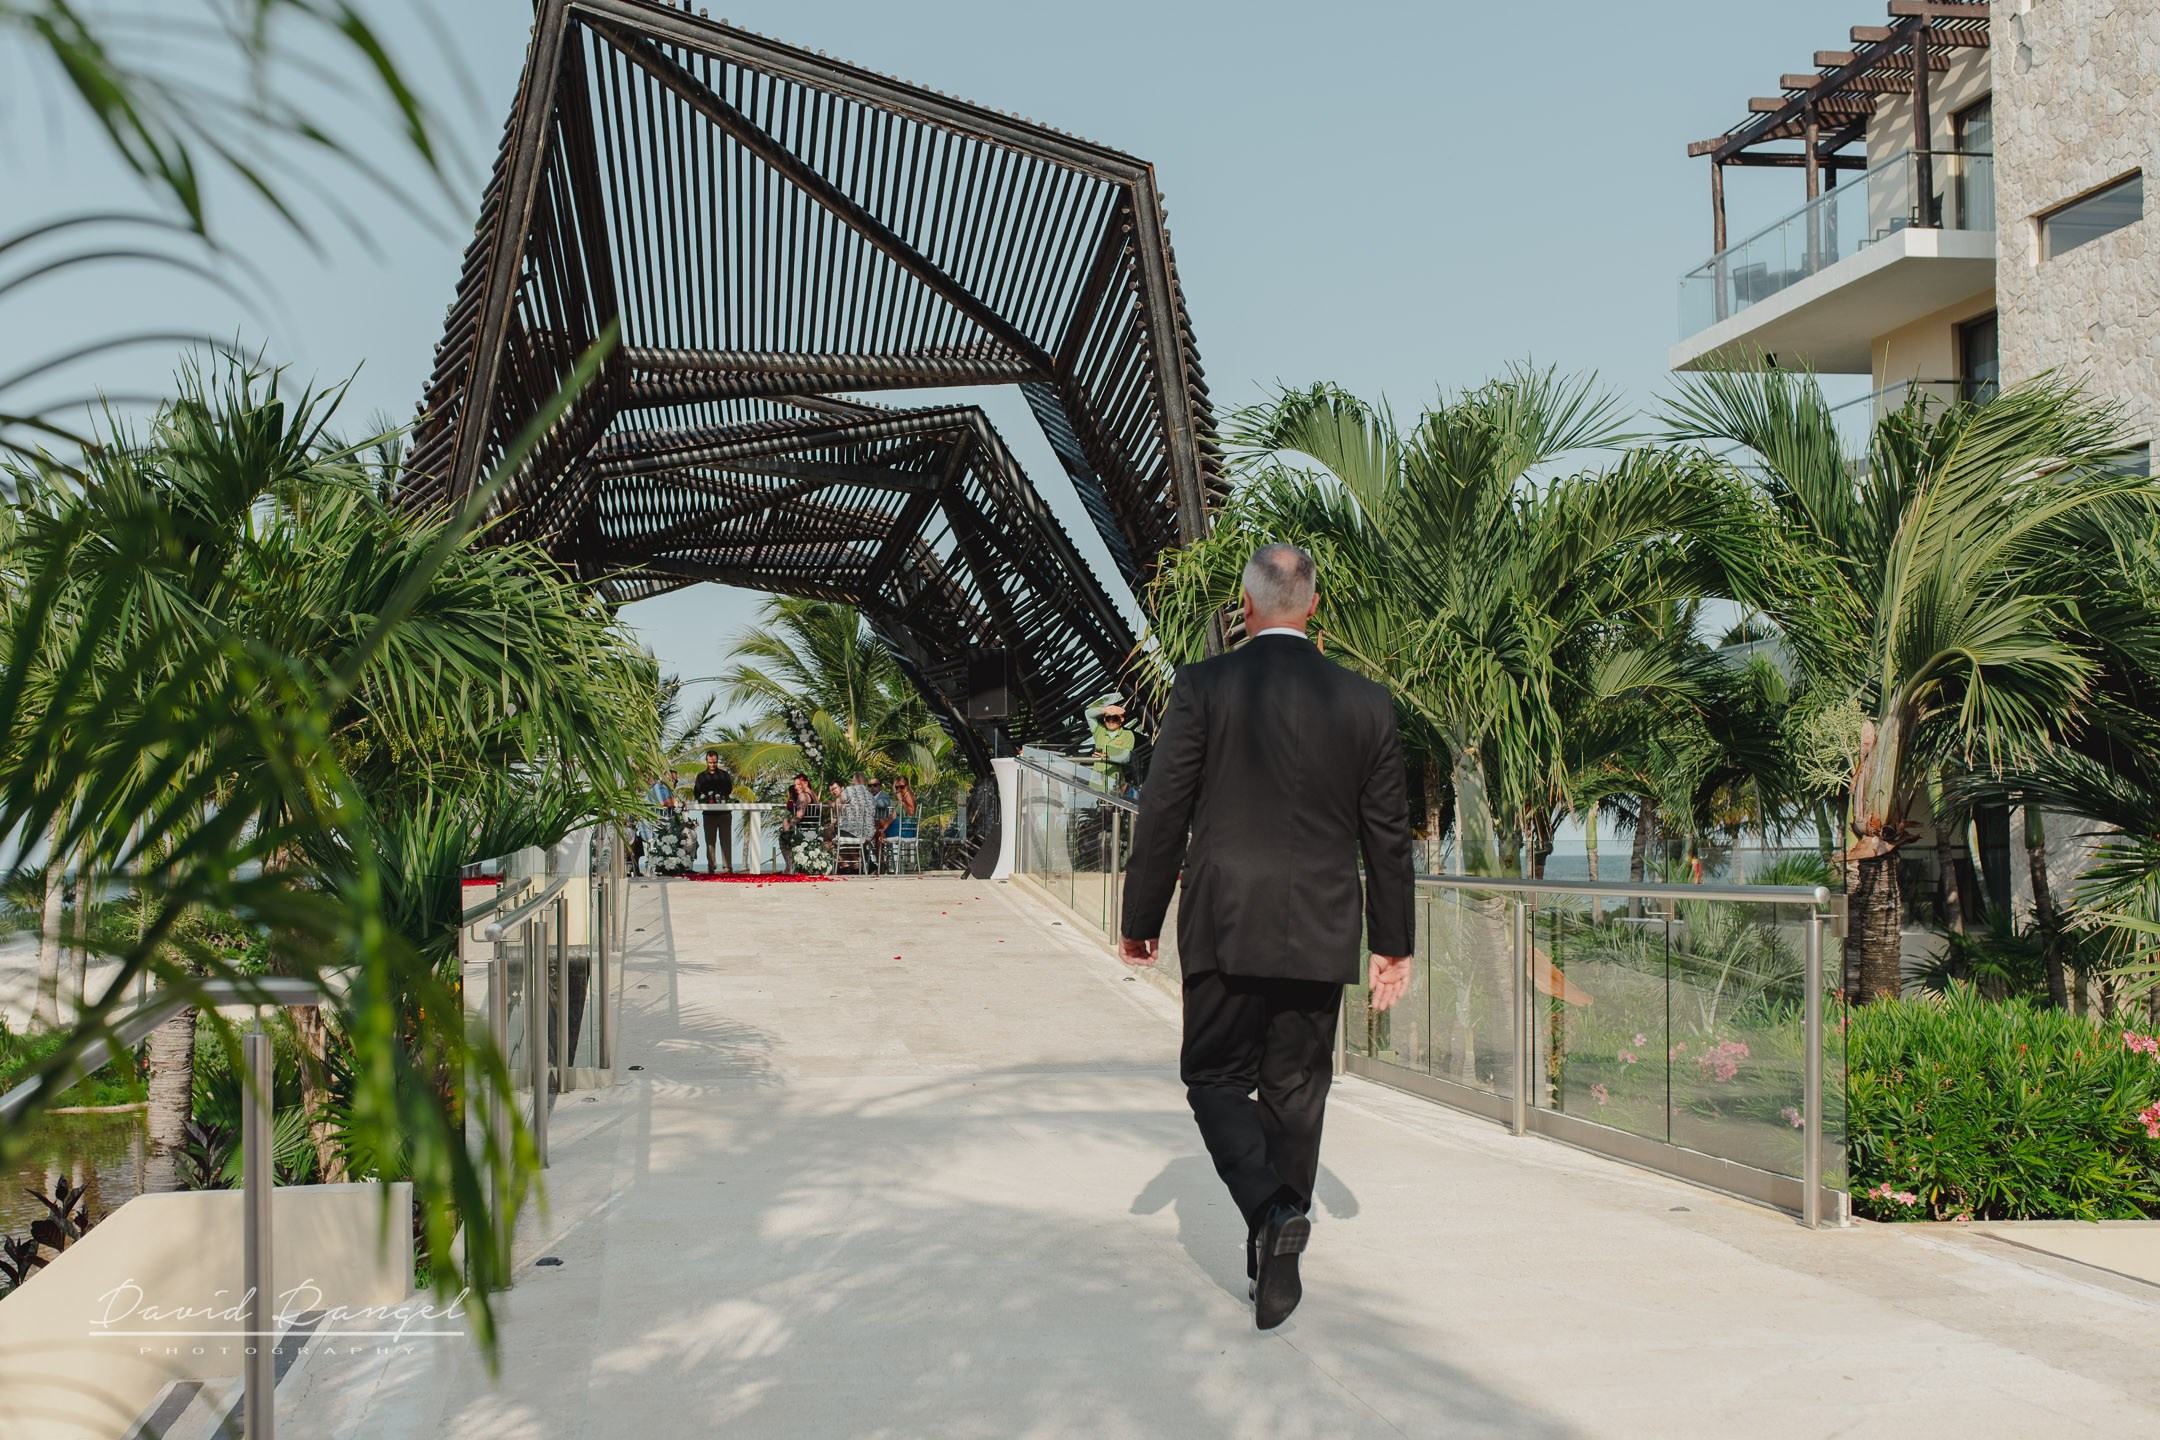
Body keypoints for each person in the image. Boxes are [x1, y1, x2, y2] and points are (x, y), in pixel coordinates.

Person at [1118, 543, 1415, 1331]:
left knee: (1214, 1080)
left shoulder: (1204, 686)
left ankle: (1271, 1207)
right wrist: (1394, 943)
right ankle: (1276, 1259)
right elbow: (1388, 837)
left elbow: (1163, 812)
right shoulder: (1367, 703)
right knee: (1296, 1094)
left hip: (1223, 920)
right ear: (1312, 606)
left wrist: (1139, 919)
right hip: (1320, 925)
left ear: (1245, 608)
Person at [692, 750, 736, 874]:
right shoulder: (701, 776)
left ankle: (727, 867)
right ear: (706, 761)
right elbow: (696, 792)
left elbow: (729, 789)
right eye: (710, 762)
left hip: (724, 813)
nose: (713, 765)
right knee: (710, 842)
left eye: (715, 762)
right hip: (708, 814)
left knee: (726, 841)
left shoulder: (724, 775)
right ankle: (711, 867)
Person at [1084, 693, 1137, 795]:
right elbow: (1088, 714)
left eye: (1115, 718)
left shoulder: (1127, 735)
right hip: (1097, 782)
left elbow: (1125, 757)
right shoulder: (1099, 731)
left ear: (1121, 719)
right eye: (1108, 718)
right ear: (1104, 719)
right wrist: (1105, 710)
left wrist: (1107, 757)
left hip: (1116, 783)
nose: (1111, 721)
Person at [838, 771, 877, 873]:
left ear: (853, 780)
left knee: (836, 834)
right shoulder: (870, 795)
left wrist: (836, 815)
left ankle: (854, 865)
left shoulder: (850, 790)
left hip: (854, 831)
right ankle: (854, 865)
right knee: (845, 835)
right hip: (869, 833)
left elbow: (839, 802)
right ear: (864, 782)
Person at [778, 773, 816, 873]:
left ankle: (789, 866)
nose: (796, 787)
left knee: (783, 836)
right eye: (795, 785)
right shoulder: (811, 795)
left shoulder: (803, 796)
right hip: (813, 830)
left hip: (803, 832)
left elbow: (799, 815)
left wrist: (789, 825)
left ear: (805, 783)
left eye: (799, 784)